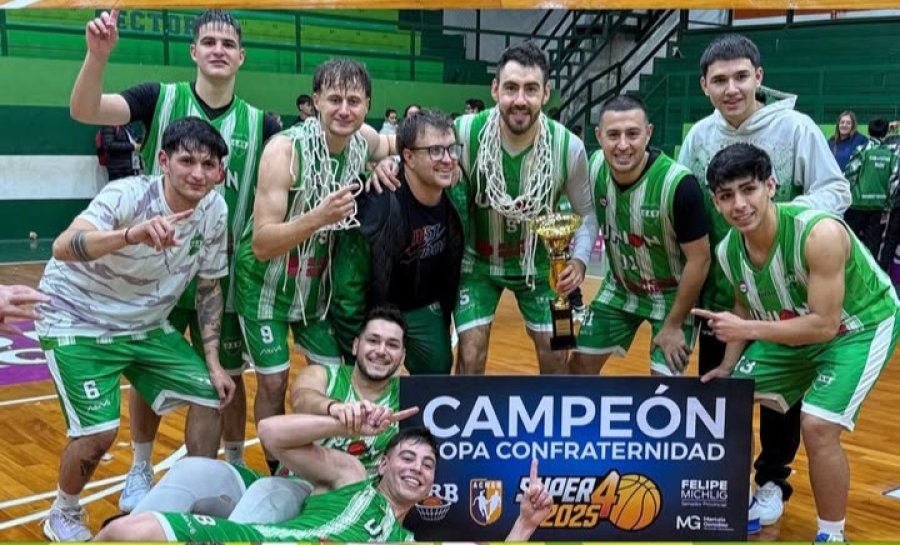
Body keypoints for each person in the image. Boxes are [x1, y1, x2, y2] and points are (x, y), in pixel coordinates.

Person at [69, 8, 280, 508]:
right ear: (193, 51)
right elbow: (85, 109)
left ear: (241, 56)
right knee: (148, 375)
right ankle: (141, 468)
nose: (218, 50)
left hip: (220, 273)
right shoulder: (157, 97)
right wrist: (96, 57)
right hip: (155, 272)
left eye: (227, 44)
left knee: (226, 374)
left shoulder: (263, 124)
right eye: (209, 42)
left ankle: (224, 469)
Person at [677, 33, 851, 529]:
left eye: (740, 76)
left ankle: (772, 480)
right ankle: (725, 482)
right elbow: (683, 201)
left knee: (779, 394)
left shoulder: (795, 128)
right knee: (723, 387)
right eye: (719, 80)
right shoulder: (699, 137)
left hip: (786, 290)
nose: (731, 88)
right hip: (723, 286)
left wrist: (777, 219)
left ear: (759, 77)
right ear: (704, 86)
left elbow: (836, 190)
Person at [36, 117, 235, 541]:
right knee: (97, 434)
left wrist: (214, 362)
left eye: (208, 164)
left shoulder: (215, 210)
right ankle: (63, 511)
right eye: (186, 161)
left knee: (209, 394)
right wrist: (129, 235)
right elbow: (62, 246)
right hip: (77, 317)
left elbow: (208, 287)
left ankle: (191, 499)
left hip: (145, 323)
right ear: (163, 160)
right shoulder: (126, 195)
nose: (197, 173)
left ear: (220, 171)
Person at [695, 142, 900, 543]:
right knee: (730, 400)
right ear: (716, 202)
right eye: (726, 195)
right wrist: (727, 367)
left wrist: (747, 330)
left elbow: (823, 326)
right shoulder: (728, 251)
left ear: (771, 186)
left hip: (858, 327)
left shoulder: (819, 233)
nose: (739, 204)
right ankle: (743, 503)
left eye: (748, 189)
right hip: (794, 325)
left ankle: (831, 535)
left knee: (818, 425)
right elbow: (744, 303)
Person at [233, 58, 395, 477]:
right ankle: (276, 471)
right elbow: (262, 243)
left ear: (368, 105)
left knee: (335, 373)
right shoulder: (284, 150)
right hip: (264, 285)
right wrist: (318, 217)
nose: (344, 109)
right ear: (316, 101)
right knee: (274, 381)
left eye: (354, 101)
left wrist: (387, 163)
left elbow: (396, 145)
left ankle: (324, 461)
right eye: (334, 99)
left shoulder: (364, 141)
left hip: (312, 293)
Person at [124, 306, 408, 524]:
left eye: (392, 345)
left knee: (267, 494)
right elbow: (304, 398)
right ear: (356, 345)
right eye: (373, 341)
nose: (381, 351)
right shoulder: (324, 375)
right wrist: (337, 409)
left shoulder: (406, 397)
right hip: (290, 480)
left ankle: (218, 536)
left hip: (335, 503)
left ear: (402, 355)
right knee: (190, 470)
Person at [96, 421, 552, 542]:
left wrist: (525, 524)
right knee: (130, 530)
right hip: (262, 542)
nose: (416, 467)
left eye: (427, 464)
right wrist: (341, 422)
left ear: (432, 484)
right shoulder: (351, 477)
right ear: (383, 464)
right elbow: (272, 435)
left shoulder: (408, 541)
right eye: (407, 457)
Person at [449, 41, 597, 375]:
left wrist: (579, 260)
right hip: (478, 262)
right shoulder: (463, 133)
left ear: (546, 93)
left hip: (544, 267)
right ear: (495, 90)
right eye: (511, 88)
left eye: (531, 89)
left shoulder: (568, 146)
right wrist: (387, 164)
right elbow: (415, 155)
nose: (520, 99)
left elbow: (587, 213)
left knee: (558, 351)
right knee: (470, 353)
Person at [570, 95, 710, 376]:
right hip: (620, 289)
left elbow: (700, 260)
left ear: (648, 133)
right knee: (577, 369)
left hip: (673, 296)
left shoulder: (679, 185)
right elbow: (587, 217)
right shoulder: (594, 167)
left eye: (632, 134)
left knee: (663, 388)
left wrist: (674, 324)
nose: (623, 145)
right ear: (599, 136)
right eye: (613, 135)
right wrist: (578, 260)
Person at [331, 110, 464, 374]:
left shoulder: (456, 193)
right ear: (409, 157)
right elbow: (348, 290)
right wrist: (354, 342)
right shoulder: (376, 205)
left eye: (452, 149)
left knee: (438, 372)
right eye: (436, 151)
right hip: (376, 310)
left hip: (424, 306)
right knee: (369, 382)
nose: (448, 159)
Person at [843, 117, 900, 258]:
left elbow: (849, 174)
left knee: (849, 243)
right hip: (877, 208)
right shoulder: (891, 155)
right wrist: (887, 206)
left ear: (868, 132)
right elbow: (894, 183)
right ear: (886, 133)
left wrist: (848, 196)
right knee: (872, 248)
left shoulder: (862, 150)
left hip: (856, 205)